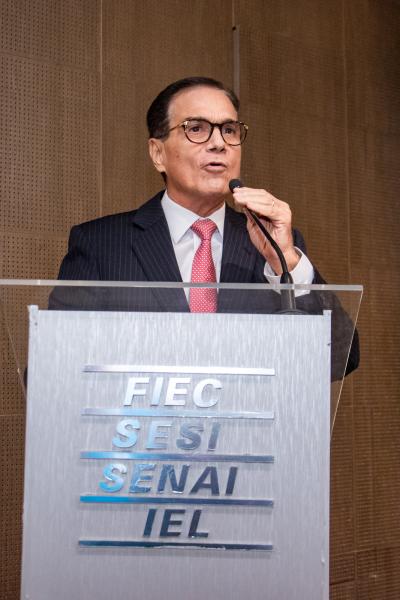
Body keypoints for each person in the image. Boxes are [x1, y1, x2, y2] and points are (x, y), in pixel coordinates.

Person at [54, 76, 359, 376]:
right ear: (158, 153)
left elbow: (340, 360)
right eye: (196, 128)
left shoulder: (274, 245)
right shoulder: (100, 244)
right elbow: (59, 367)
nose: (218, 144)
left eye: (229, 130)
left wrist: (286, 263)